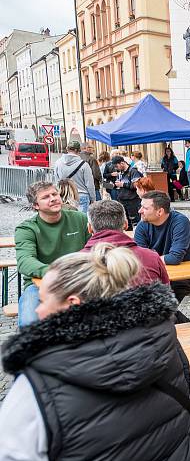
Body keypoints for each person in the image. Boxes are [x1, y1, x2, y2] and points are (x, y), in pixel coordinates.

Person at [0, 244, 190, 461]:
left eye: (42, 300)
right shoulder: (162, 339)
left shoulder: (36, 384)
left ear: (72, 305)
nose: (36, 311)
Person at [14, 181, 91, 327]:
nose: (53, 198)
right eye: (45, 197)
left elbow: (91, 250)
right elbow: (25, 261)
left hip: (78, 282)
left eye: (55, 194)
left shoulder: (79, 218)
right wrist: (56, 273)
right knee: (29, 324)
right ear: (35, 206)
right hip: (39, 284)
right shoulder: (26, 229)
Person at [84, 199, 170, 285]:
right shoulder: (151, 258)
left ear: (89, 228)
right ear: (125, 224)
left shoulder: (75, 264)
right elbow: (166, 291)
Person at [135, 191, 190, 303]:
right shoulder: (142, 226)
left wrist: (151, 259)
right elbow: (139, 259)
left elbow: (175, 257)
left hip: (180, 279)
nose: (140, 211)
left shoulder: (180, 221)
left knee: (157, 308)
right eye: (141, 206)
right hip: (153, 278)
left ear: (159, 211)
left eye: (145, 208)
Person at [53, 139, 96, 213]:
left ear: (67, 149)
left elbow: (57, 181)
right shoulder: (84, 165)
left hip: (65, 195)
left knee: (67, 221)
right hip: (81, 196)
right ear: (78, 150)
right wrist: (93, 199)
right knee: (81, 221)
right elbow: (90, 184)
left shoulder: (58, 163)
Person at [111, 155, 143, 229]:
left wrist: (123, 184)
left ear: (122, 163)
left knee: (135, 223)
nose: (116, 168)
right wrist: (115, 185)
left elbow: (136, 185)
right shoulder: (121, 173)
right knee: (125, 225)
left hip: (132, 201)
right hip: (122, 200)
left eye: (116, 166)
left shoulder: (133, 171)